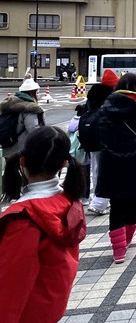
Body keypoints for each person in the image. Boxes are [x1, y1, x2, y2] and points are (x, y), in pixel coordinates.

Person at [0, 126, 87, 322]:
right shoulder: (69, 200)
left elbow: (10, 285)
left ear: (22, 162)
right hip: (50, 306)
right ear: (64, 164)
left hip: (26, 313)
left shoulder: (23, 218)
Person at [79, 72, 136, 264]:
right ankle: (126, 242)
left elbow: (93, 135)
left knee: (116, 205)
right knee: (132, 203)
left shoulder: (104, 109)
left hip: (111, 164)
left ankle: (118, 252)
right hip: (135, 163)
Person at [1, 77, 45, 202]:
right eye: (37, 92)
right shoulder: (29, 108)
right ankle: (24, 196)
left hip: (8, 144)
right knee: (25, 172)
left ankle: (11, 194)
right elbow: (34, 129)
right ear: (32, 92)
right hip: (22, 147)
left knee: (11, 170)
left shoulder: (9, 105)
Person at [83, 68, 119, 215]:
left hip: (91, 139)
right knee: (105, 170)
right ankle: (100, 201)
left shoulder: (92, 95)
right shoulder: (110, 98)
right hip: (105, 139)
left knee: (95, 169)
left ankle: (97, 197)